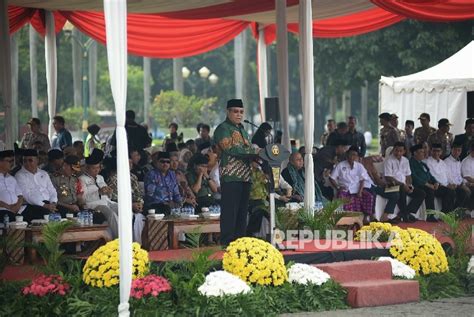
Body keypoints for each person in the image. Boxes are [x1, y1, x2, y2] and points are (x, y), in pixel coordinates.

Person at [214, 99, 259, 245]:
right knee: (229, 213)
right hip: (231, 176)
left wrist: (258, 155)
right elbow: (230, 149)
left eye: (241, 112)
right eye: (235, 111)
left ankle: (240, 243)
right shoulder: (223, 128)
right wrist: (253, 151)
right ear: (228, 112)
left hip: (245, 177)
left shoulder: (244, 131)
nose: (239, 114)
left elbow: (247, 150)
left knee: (242, 213)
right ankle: (227, 244)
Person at [78, 149, 119, 238]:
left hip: (107, 202)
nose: (96, 170)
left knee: (122, 209)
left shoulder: (100, 177)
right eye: (93, 168)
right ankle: (119, 239)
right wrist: (98, 192)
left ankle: (129, 237)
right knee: (110, 214)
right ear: (87, 168)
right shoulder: (82, 179)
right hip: (93, 205)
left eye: (98, 168)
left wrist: (109, 191)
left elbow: (108, 194)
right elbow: (83, 198)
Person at [106, 155, 145, 243]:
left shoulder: (133, 177)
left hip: (134, 207)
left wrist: (139, 204)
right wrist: (130, 205)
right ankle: (127, 244)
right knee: (130, 216)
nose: (130, 165)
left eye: (131, 163)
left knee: (140, 217)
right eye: (128, 163)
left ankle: (137, 245)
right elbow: (113, 199)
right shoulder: (114, 179)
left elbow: (138, 194)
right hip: (120, 208)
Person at [383, 142, 425, 223]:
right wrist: (403, 185)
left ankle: (404, 213)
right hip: (390, 186)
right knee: (402, 189)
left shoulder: (405, 160)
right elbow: (388, 177)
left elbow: (408, 175)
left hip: (404, 185)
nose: (398, 152)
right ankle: (405, 215)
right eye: (396, 150)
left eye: (400, 151)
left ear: (404, 151)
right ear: (393, 150)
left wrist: (409, 185)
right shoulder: (389, 160)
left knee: (421, 193)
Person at [329, 146, 374, 220]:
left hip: (357, 189)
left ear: (356, 156)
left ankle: (366, 217)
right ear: (347, 155)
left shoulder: (359, 166)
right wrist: (337, 187)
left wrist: (360, 191)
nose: (352, 157)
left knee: (369, 196)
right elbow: (332, 178)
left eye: (354, 155)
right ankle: (344, 218)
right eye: (350, 154)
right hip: (345, 189)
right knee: (341, 196)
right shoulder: (341, 165)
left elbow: (362, 180)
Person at [409, 144, 451, 221]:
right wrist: (428, 184)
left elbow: (430, 175)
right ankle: (430, 215)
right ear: (415, 153)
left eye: (423, 151)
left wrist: (436, 182)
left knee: (448, 191)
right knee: (430, 191)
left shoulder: (423, 164)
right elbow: (414, 177)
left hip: (429, 184)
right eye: (421, 152)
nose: (423, 153)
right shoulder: (411, 163)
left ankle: (444, 214)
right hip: (419, 185)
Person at [15, 149, 58, 222]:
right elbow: (27, 195)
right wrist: (45, 206)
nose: (27, 163)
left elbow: (52, 190)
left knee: (64, 212)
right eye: (25, 161)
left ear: (37, 160)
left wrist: (53, 202)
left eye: (30, 160)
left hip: (48, 204)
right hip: (31, 206)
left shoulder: (44, 173)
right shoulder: (19, 175)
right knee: (46, 214)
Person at [0, 150, 25, 222]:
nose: (12, 164)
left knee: (37, 212)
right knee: (11, 217)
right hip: (3, 210)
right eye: (9, 161)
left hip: (18, 209)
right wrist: (9, 207)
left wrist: (17, 206)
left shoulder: (12, 178)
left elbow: (20, 195)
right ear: (0, 162)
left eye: (12, 161)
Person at [445, 143, 472, 209]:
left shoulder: (458, 161)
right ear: (451, 150)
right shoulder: (446, 161)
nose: (457, 152)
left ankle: (459, 211)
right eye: (455, 150)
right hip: (450, 184)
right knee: (464, 192)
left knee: (468, 191)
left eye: (459, 150)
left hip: (459, 184)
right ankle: (454, 211)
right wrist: (460, 184)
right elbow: (448, 177)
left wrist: (464, 183)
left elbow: (460, 175)